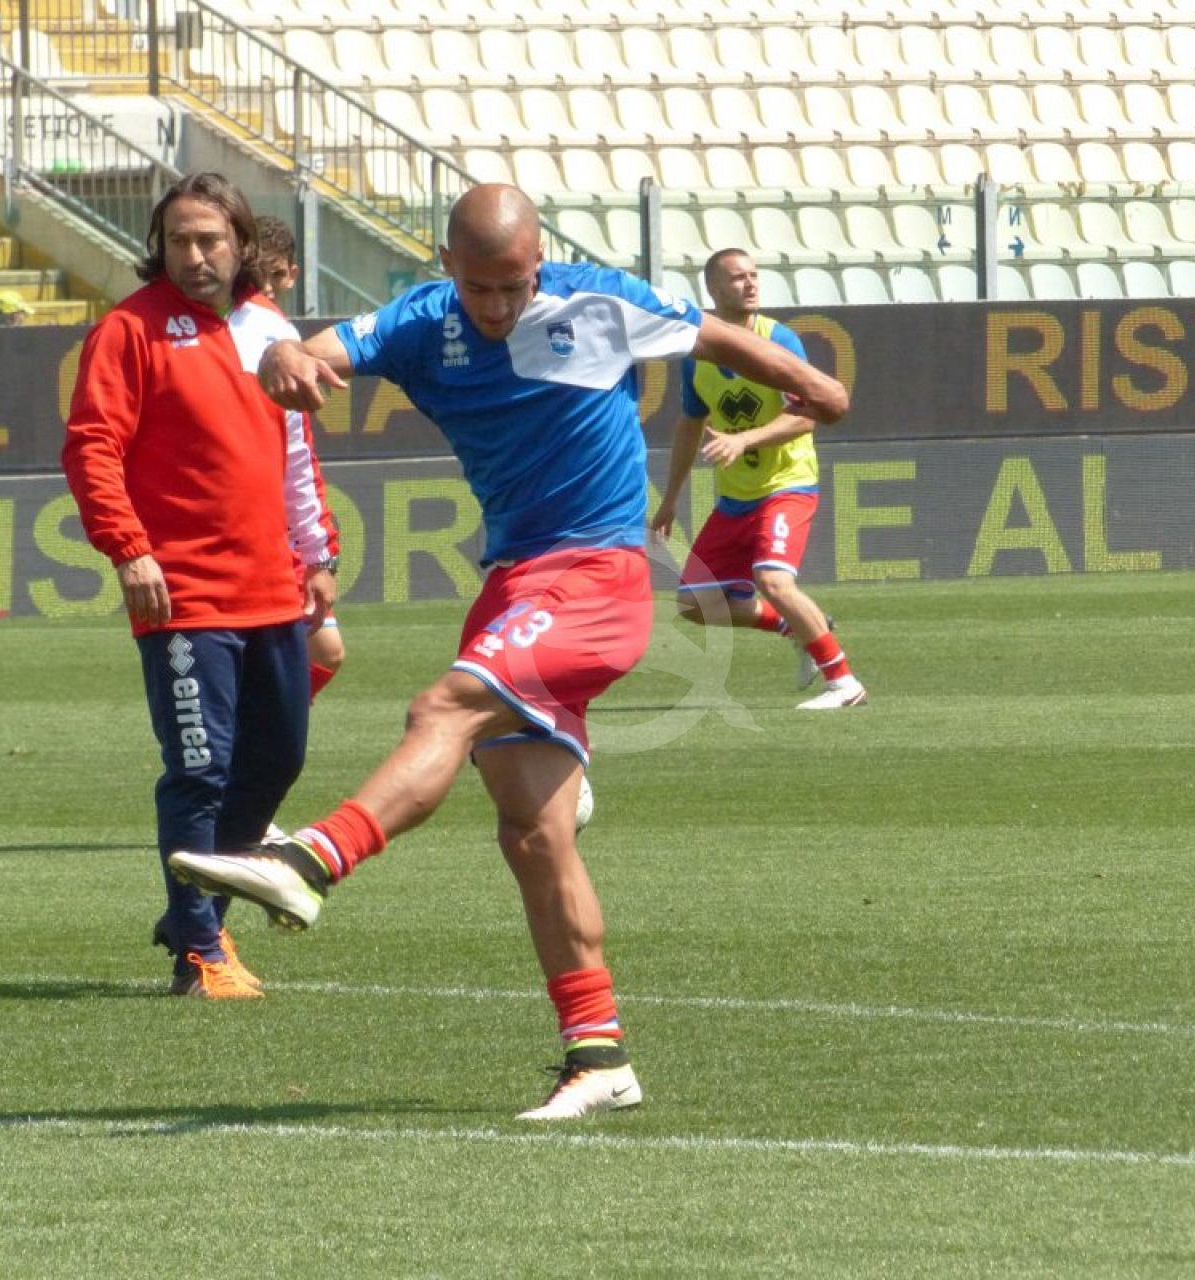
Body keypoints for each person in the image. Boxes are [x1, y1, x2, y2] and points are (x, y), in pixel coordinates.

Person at [168, 184, 848, 1118]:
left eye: (515, 286)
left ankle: (312, 860)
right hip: (514, 583)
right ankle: (600, 1056)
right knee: (533, 833)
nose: (497, 306)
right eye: (479, 287)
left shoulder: (597, 299)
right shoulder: (420, 321)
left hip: (598, 577)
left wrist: (812, 384)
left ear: (540, 264)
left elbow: (712, 337)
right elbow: (318, 352)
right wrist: (285, 353)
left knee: (442, 707)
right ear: (449, 265)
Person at [62, 173, 339, 1000]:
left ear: (241, 244)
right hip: (183, 593)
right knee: (200, 769)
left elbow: (295, 453)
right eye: (178, 240)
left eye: (210, 239)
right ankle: (200, 954)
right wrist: (129, 551)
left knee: (277, 759)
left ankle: (196, 911)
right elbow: (92, 447)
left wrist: (316, 554)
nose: (194, 254)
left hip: (273, 587)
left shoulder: (271, 329)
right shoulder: (128, 331)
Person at [651, 248, 866, 710]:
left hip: (788, 483)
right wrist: (670, 499)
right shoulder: (696, 355)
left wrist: (744, 440)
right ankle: (797, 626)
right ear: (712, 289)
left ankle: (844, 683)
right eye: (737, 278)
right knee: (694, 603)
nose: (750, 284)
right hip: (736, 498)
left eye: (753, 275)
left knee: (772, 580)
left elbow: (809, 416)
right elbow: (689, 425)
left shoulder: (778, 339)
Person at [254, 215, 347, 709]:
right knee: (319, 649)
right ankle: (257, 729)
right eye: (257, 274)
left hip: (284, 528)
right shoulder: (248, 330)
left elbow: (297, 451)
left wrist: (318, 549)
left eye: (275, 274)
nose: (266, 285)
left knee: (324, 649)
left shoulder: (281, 336)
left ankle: (259, 727)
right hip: (254, 527)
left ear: (291, 275)